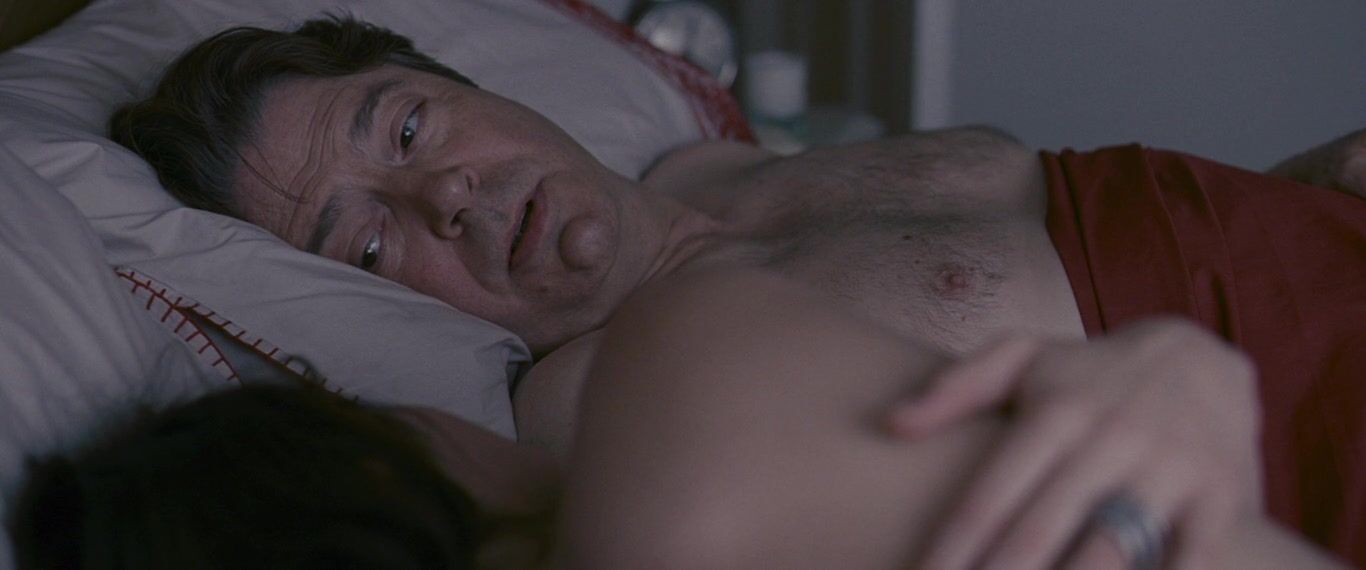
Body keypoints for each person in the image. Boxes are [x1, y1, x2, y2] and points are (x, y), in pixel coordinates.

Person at [107, 16, 1366, 567]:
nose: (447, 196)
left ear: (470, 85)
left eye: (407, 128)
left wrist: (1303, 188)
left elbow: (1131, 238)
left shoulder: (730, 154)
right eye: (372, 249)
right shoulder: (605, 419)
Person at [6, 269, 1354, 569]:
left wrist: (1172, 364)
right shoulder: (683, 368)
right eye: (350, 245)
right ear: (356, 456)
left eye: (406, 133)